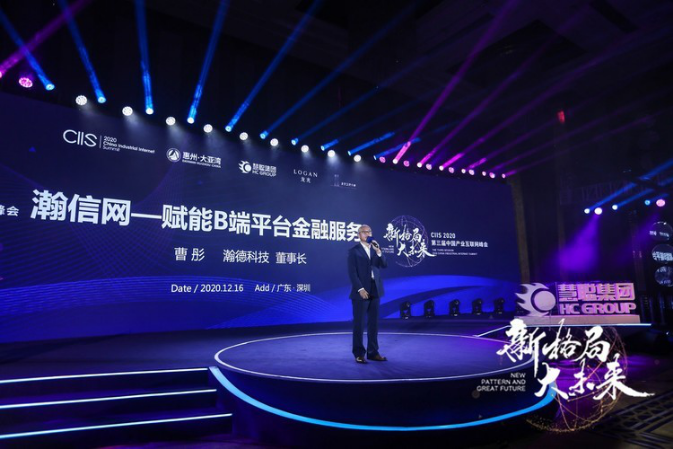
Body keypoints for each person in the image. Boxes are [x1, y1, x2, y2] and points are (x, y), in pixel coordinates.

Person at [347, 224, 388, 363]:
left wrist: (379, 252)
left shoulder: (375, 249)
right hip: (361, 291)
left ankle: (373, 352)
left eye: (369, 231)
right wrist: (360, 289)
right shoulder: (354, 251)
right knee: (359, 324)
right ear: (359, 235)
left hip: (375, 289)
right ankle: (359, 353)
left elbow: (384, 265)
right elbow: (352, 273)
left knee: (373, 324)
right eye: (364, 232)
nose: (367, 234)